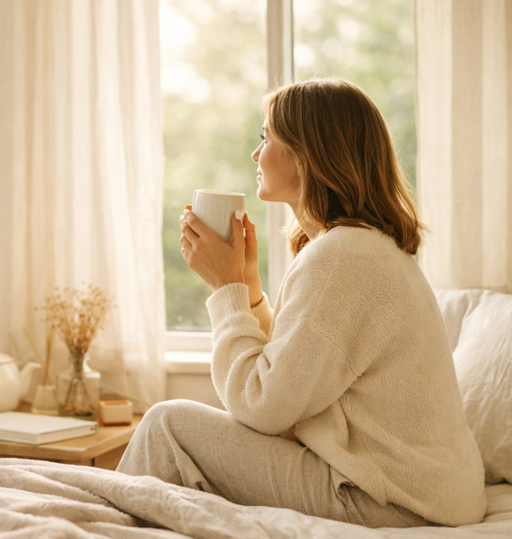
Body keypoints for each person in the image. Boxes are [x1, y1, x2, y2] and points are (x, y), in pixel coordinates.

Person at [116, 79, 486, 528]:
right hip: (422, 494)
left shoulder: (342, 256)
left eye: (267, 137)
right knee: (170, 429)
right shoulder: (359, 248)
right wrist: (249, 287)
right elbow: (296, 380)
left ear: (306, 154)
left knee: (165, 427)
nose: (256, 154)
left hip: (392, 500)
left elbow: (263, 405)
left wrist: (226, 289)